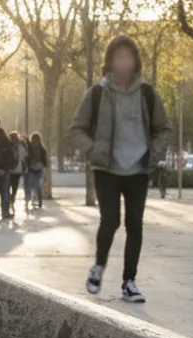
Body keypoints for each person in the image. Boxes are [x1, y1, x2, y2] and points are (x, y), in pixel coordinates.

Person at [70, 34, 171, 303]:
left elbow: (163, 128)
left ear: (135, 60)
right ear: (110, 61)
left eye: (128, 56)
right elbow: (76, 128)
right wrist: (93, 149)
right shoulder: (97, 92)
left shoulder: (148, 93)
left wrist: (155, 153)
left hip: (138, 169)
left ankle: (129, 282)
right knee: (111, 220)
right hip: (107, 169)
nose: (123, 62)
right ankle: (98, 266)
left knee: (134, 225)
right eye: (118, 56)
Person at [26, 132, 47, 210]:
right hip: (32, 168)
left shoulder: (41, 149)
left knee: (38, 186)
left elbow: (44, 158)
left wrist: (42, 164)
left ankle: (39, 201)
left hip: (39, 168)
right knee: (31, 185)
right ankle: (29, 201)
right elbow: (27, 157)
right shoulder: (29, 148)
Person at [8, 131, 27, 208]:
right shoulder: (20, 147)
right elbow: (24, 159)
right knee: (13, 187)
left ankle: (11, 198)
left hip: (11, 170)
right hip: (16, 171)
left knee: (10, 187)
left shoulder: (8, 147)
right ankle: (12, 198)